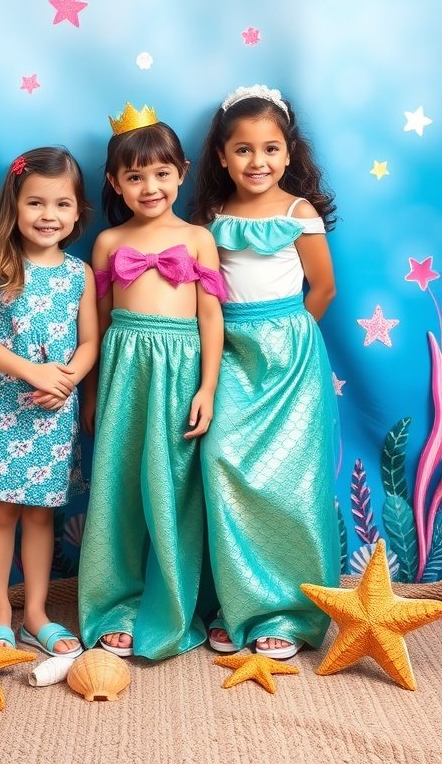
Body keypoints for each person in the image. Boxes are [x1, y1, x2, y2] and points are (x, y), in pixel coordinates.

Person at [193, 85, 340, 660]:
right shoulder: (210, 217)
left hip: (289, 359)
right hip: (227, 352)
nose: (259, 162)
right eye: (244, 150)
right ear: (223, 157)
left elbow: (323, 288)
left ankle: (285, 612)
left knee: (289, 482)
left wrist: (287, 336)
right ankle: (237, 605)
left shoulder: (298, 212)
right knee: (223, 465)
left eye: (271, 149)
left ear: (289, 152)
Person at [77, 103, 226, 660]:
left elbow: (211, 318)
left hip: (182, 369)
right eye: (135, 176)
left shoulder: (197, 239)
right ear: (115, 181)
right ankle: (116, 602)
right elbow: (99, 321)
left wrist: (207, 389)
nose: (150, 186)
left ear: (182, 172)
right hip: (124, 371)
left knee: (175, 490)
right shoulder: (109, 243)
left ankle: (176, 604)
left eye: (161, 173)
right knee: (119, 487)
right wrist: (91, 393)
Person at [0, 146, 99, 657]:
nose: (48, 215)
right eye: (36, 203)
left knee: (40, 515)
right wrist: (32, 370)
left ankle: (35, 614)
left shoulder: (80, 274)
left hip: (51, 412)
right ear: (15, 205)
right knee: (2, 513)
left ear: (78, 211)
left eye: (61, 204)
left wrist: (66, 380)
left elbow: (89, 342)